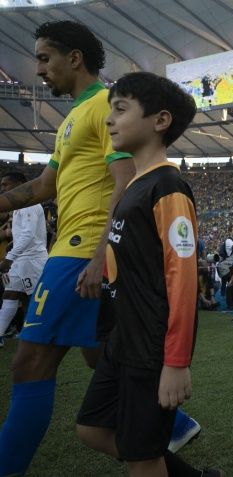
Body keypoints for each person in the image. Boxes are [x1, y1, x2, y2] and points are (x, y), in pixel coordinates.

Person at [0, 21, 138, 476]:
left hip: (81, 250)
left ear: (74, 58)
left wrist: (101, 254)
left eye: (45, 58)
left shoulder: (106, 106)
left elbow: (125, 182)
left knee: (29, 363)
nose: (39, 69)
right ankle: (174, 428)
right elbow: (44, 185)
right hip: (74, 248)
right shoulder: (71, 119)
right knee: (100, 357)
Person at [74, 71, 221, 477]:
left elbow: (183, 281)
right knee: (92, 429)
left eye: (120, 109)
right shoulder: (134, 187)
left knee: (142, 457)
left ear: (160, 120)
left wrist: (176, 362)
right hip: (123, 340)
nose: (109, 119)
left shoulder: (168, 186)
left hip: (150, 349)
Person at [0, 172, 48, 349]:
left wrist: (9, 257)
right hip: (21, 258)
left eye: (6, 184)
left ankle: (37, 337)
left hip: (33, 260)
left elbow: (28, 234)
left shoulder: (30, 204)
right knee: (9, 296)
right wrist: (13, 245)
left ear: (20, 184)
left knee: (33, 299)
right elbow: (26, 233)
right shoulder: (19, 206)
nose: (3, 188)